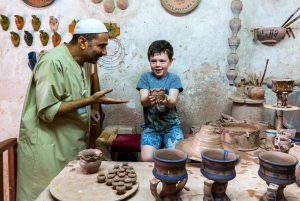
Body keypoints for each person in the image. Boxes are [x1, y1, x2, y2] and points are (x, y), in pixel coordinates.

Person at [16, 18, 128, 201]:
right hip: (48, 149)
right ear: (83, 42)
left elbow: (72, 98)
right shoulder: (52, 61)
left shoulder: (83, 62)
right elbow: (47, 110)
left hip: (69, 145)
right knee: (46, 194)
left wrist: (89, 110)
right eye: (102, 46)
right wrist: (90, 100)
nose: (105, 52)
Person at [136, 40, 184, 162]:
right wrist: (150, 98)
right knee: (146, 158)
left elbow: (172, 102)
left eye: (162, 61)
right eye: (154, 61)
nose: (158, 65)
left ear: (170, 61)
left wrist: (165, 99)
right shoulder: (145, 77)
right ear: (149, 61)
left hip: (171, 127)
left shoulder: (174, 79)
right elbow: (143, 101)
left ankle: (171, 180)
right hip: (151, 127)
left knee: (177, 157)